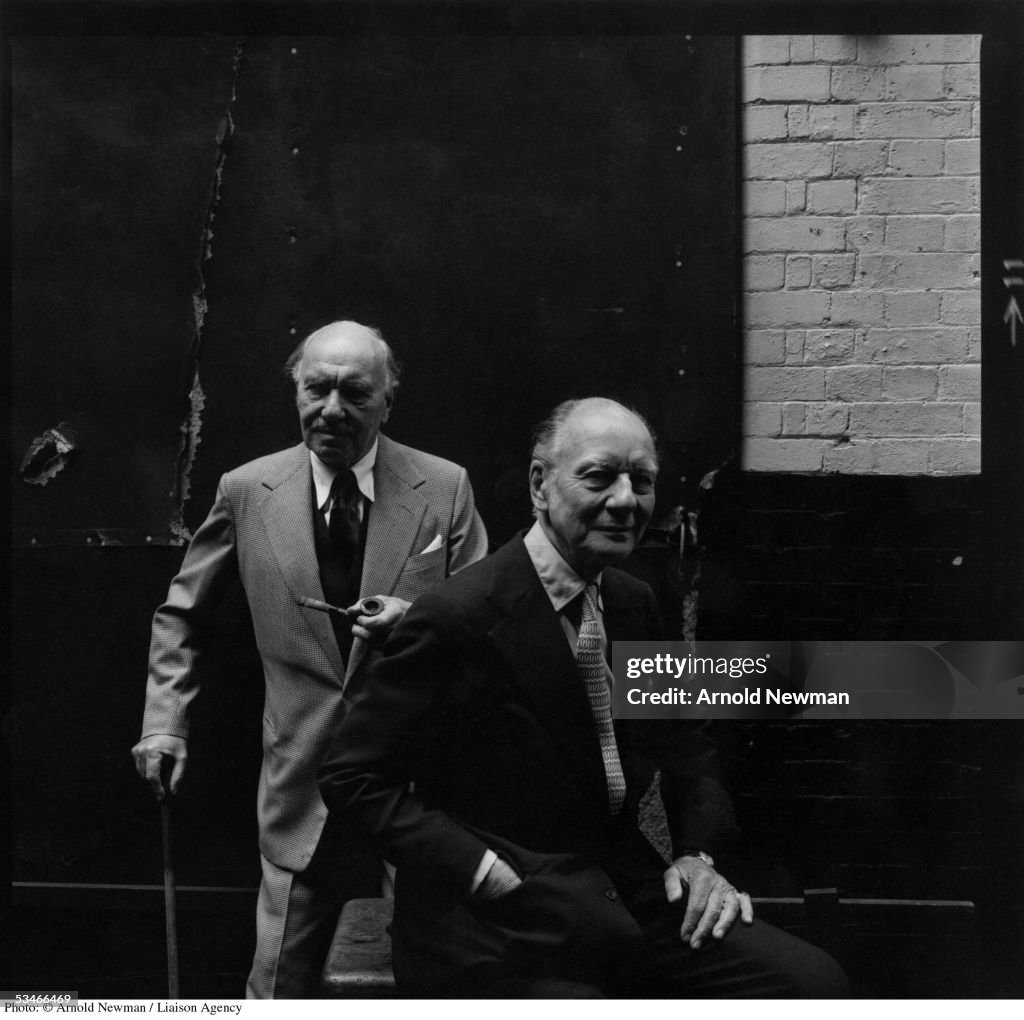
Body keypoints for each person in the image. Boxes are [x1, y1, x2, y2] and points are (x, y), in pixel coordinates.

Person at [318, 397, 848, 998]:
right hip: (495, 922)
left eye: (642, 481)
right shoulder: (456, 615)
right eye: (599, 477)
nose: (627, 501)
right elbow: (352, 776)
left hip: (623, 893)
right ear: (540, 485)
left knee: (812, 982)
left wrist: (697, 855)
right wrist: (484, 872)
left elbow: (687, 749)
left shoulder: (633, 600)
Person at [131, 320, 488, 998]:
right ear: (295, 389)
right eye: (315, 388)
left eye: (355, 393)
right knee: (276, 989)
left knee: (429, 983)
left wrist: (416, 622)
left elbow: (483, 626)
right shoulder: (246, 490)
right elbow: (182, 616)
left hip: (417, 791)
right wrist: (164, 723)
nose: (332, 410)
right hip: (301, 789)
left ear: (389, 399)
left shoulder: (445, 488)